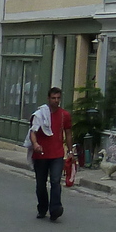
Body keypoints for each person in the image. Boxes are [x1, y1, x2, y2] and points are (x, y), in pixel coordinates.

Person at [29, 87, 73, 221]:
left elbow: (68, 133)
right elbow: (33, 131)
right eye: (53, 98)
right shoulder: (40, 114)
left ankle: (55, 208)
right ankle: (42, 208)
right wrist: (35, 144)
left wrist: (70, 151)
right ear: (48, 99)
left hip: (57, 154)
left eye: (58, 98)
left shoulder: (64, 115)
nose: (56, 101)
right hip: (41, 154)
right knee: (41, 184)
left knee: (55, 180)